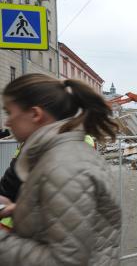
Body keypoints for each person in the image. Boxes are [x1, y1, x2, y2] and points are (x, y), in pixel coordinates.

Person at [0, 73, 121, 265]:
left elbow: (66, 260)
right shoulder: (60, 155)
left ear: (35, 114)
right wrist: (20, 210)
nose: (7, 122)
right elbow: (69, 217)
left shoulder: (64, 167)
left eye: (9, 112)